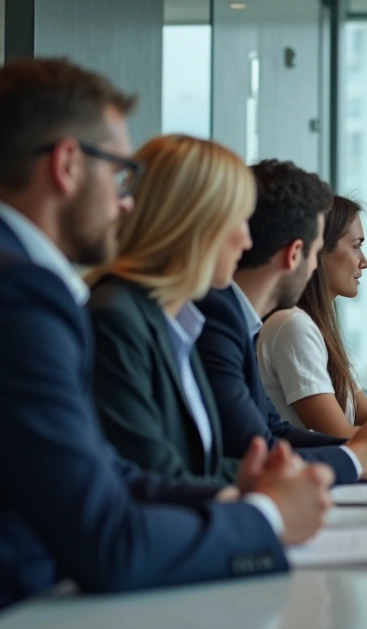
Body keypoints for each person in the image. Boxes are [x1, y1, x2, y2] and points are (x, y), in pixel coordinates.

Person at [0, 58, 331, 618]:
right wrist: (265, 517)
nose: (125, 202)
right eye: (119, 173)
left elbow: (106, 472)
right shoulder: (18, 292)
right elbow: (107, 540)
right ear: (68, 164)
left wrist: (238, 495)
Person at [197, 160, 367, 483]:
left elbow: (275, 432)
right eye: (355, 246)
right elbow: (254, 447)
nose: (364, 261)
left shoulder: (242, 324)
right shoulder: (238, 324)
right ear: (299, 253)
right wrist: (364, 456)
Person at [85, 134, 258, 485]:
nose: (247, 240)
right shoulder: (116, 317)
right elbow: (155, 476)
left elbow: (198, 468)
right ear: (196, 222)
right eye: (239, 220)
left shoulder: (174, 321)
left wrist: (269, 477)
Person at [257, 195, 367, 438]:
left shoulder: (318, 329)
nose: (364, 262)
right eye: (356, 246)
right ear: (321, 250)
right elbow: (337, 434)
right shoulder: (293, 326)